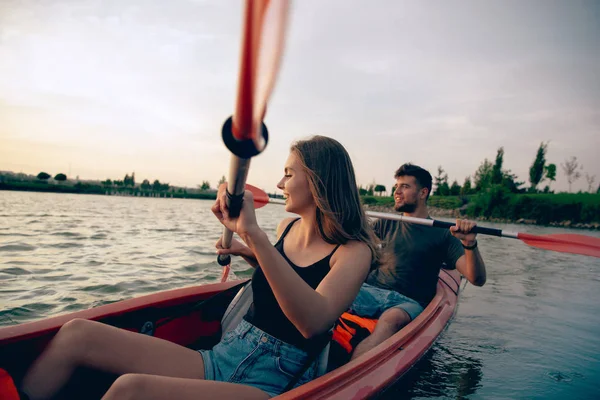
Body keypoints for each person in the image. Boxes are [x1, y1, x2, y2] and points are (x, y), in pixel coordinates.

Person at [19, 135, 379, 400]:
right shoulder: (288, 229)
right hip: (228, 351)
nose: (279, 184)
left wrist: (256, 235)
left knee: (130, 391)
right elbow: (289, 274)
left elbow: (313, 322)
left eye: (288, 174)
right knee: (77, 333)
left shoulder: (354, 252)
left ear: (318, 180)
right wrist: (246, 249)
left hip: (272, 381)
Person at [348, 163, 487, 360]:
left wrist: (470, 243)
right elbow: (353, 246)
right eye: (396, 186)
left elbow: (476, 278)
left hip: (408, 302)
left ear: (423, 193)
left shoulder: (443, 234)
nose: (397, 192)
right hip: (371, 291)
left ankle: (349, 374)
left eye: (404, 186)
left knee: (391, 319)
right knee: (331, 294)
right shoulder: (385, 222)